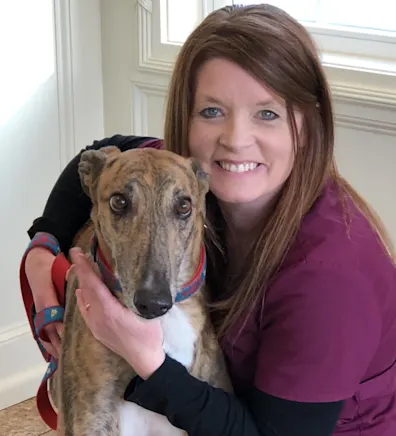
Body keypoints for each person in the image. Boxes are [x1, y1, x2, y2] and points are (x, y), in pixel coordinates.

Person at [21, 4, 396, 436]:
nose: (235, 140)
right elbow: (99, 156)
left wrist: (149, 362)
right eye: (212, 112)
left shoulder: (333, 279)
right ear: (187, 119)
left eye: (268, 113)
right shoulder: (191, 176)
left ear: (307, 125)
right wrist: (41, 247)